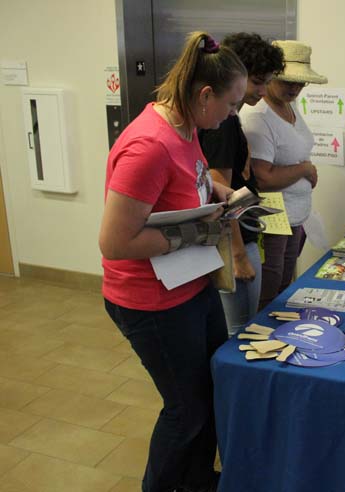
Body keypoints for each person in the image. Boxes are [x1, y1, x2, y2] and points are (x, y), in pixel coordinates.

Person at [98, 32, 247, 492]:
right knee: (186, 410)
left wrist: (222, 194)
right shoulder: (149, 146)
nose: (235, 114)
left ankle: (198, 481)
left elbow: (195, 177)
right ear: (205, 95)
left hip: (189, 282)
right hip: (150, 301)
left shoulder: (186, 127)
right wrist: (194, 234)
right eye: (232, 104)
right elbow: (115, 241)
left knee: (209, 392)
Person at [199, 33, 285, 336]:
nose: (262, 91)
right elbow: (221, 188)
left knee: (244, 327)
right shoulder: (222, 123)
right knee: (240, 332)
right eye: (257, 82)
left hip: (243, 238)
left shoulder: (230, 118)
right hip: (232, 243)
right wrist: (237, 256)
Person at [239, 40, 327, 310]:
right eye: (288, 82)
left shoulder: (289, 105)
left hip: (295, 214)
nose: (295, 88)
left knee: (284, 283)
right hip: (273, 216)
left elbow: (293, 148)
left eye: (300, 84)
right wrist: (304, 169)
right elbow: (263, 177)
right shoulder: (258, 116)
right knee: (270, 286)